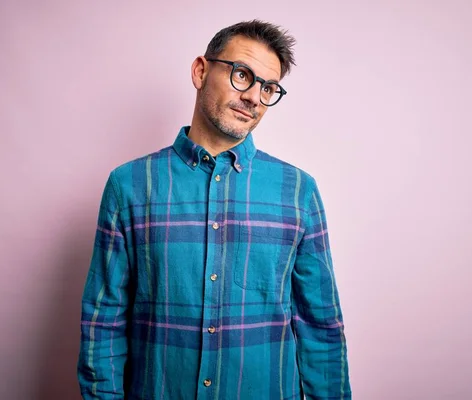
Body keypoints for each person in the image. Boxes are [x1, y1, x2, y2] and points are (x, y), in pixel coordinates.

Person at [77, 20, 351, 400]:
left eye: (268, 87)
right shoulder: (129, 186)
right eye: (242, 75)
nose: (254, 97)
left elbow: (321, 328)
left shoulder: (299, 192)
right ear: (200, 71)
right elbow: (103, 320)